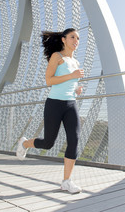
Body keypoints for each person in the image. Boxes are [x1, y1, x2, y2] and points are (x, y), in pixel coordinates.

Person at [16, 28, 84, 193]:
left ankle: (67, 181)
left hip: (71, 104)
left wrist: (76, 89)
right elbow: (49, 80)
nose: (76, 40)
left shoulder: (76, 63)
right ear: (63, 40)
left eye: (78, 38)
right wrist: (72, 76)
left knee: (74, 139)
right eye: (72, 37)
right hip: (54, 103)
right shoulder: (57, 57)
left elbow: (71, 82)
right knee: (48, 142)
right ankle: (25, 143)